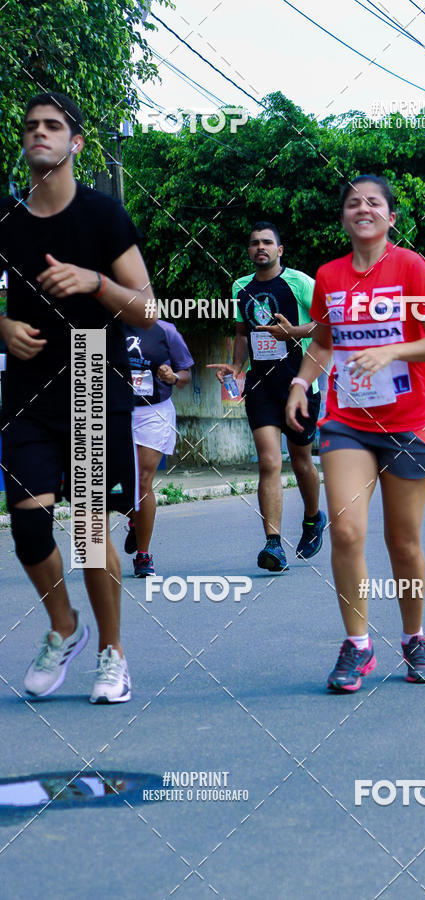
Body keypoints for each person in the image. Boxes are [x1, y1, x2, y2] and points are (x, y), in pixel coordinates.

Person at [0, 91, 156, 703]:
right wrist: (1, 328)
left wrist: (95, 281)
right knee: (28, 525)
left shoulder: (103, 217)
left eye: (53, 126)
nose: (40, 133)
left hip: (93, 376)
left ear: (76, 143)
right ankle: (64, 625)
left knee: (92, 531)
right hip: (27, 388)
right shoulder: (7, 222)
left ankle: (112, 653)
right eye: (31, 126)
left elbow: (147, 310)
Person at [286, 174, 425, 692]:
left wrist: (392, 350)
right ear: (343, 217)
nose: (363, 209)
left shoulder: (411, 267)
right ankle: (357, 646)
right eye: (353, 203)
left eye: (374, 202)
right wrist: (300, 382)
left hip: (407, 425)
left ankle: (414, 636)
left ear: (391, 217)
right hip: (348, 423)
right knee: (347, 530)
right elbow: (325, 342)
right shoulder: (329, 276)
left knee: (402, 542)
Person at [208, 221, 326, 572]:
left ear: (279, 250)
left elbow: (329, 324)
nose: (260, 247)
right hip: (260, 387)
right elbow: (242, 332)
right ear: (249, 250)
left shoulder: (301, 283)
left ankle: (311, 519)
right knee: (269, 463)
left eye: (267, 242)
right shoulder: (240, 287)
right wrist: (236, 366)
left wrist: (293, 332)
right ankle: (273, 544)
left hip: (300, 385)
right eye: (254, 242)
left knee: (301, 460)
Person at [122, 319, 194, 576]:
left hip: (154, 412)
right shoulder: (107, 326)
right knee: (114, 479)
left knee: (143, 482)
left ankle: (143, 555)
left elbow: (186, 375)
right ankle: (135, 518)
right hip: (115, 410)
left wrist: (173, 377)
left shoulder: (166, 331)